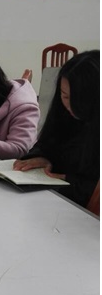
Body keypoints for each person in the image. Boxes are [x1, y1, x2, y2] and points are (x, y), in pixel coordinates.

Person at [13, 50, 99, 207]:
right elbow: (46, 143)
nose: (69, 105)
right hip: (51, 199)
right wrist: (41, 157)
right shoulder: (63, 113)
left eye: (78, 98)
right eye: (64, 95)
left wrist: (69, 180)